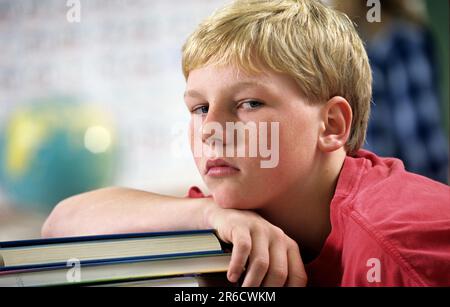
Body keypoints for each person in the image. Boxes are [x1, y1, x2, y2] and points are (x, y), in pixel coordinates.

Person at [41, 0, 450, 286]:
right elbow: (61, 224)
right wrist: (205, 213)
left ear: (331, 125)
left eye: (249, 103)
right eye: (199, 108)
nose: (210, 129)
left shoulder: (401, 248)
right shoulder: (250, 202)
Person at [333, 0, 449, 183]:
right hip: (368, 188)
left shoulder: (411, 40)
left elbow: (425, 133)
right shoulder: (338, 45)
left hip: (416, 182)